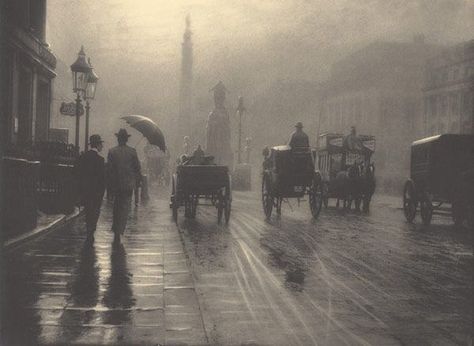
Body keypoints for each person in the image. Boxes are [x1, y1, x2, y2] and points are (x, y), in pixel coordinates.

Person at [107, 129, 141, 243]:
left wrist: (109, 187)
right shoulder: (132, 151)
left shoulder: (112, 152)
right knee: (125, 207)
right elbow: (137, 168)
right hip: (128, 185)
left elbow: (109, 171)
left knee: (116, 207)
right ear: (126, 139)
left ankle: (116, 229)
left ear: (118, 139)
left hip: (116, 185)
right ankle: (120, 230)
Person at [75, 134, 105, 242]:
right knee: (96, 210)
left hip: (86, 190)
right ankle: (91, 229)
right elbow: (102, 178)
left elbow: (78, 173)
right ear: (97, 145)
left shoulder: (83, 157)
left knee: (88, 210)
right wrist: (102, 191)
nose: (102, 146)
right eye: (101, 144)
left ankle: (89, 228)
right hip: (96, 191)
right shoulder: (100, 160)